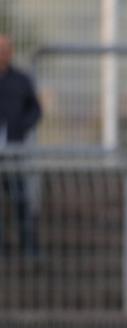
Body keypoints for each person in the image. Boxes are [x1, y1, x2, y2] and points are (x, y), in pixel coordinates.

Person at [0, 34, 41, 257]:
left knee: (19, 198)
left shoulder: (21, 80)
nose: (2, 54)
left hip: (13, 149)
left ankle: (29, 247)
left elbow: (35, 110)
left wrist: (21, 127)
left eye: (6, 49)